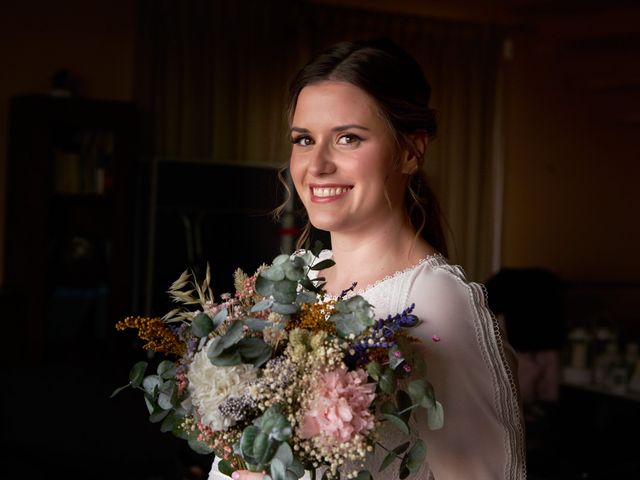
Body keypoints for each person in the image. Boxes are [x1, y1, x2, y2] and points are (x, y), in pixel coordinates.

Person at [211, 37, 526, 480]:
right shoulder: (299, 280)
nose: (317, 165)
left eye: (348, 138)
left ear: (410, 151)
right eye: (304, 139)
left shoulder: (436, 303)